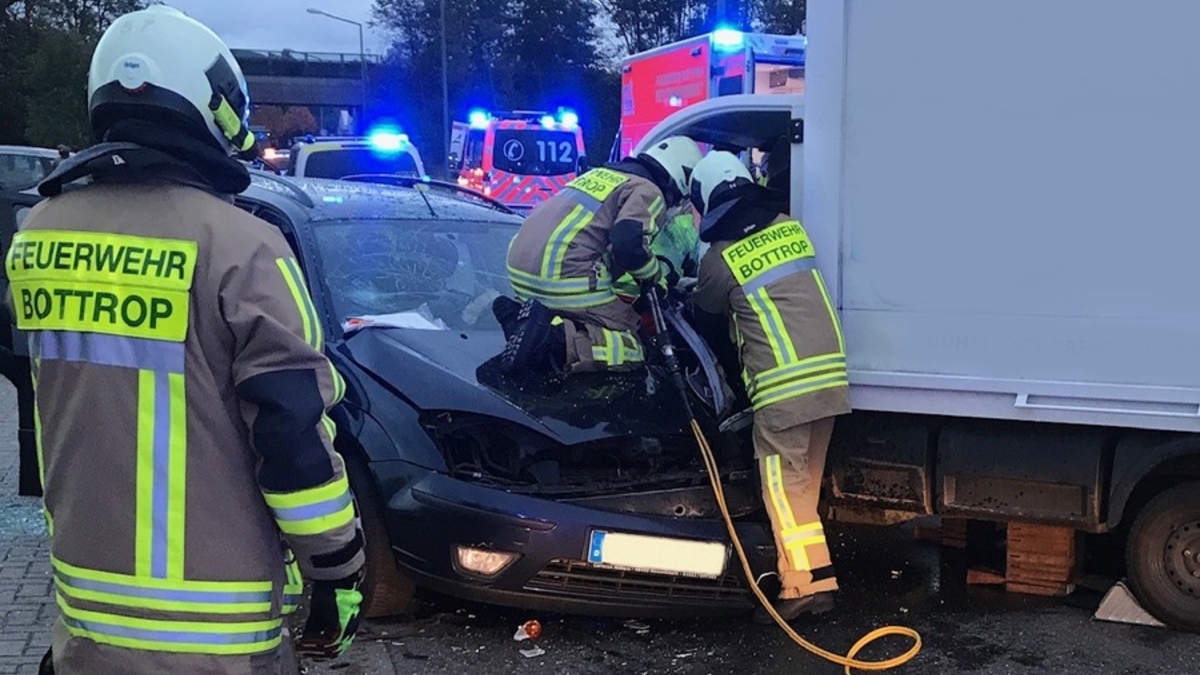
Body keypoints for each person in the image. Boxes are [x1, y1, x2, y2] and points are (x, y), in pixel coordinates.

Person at [6, 7, 364, 674]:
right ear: (207, 103)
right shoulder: (241, 244)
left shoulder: (39, 234)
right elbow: (289, 432)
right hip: (215, 636)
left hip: (84, 626)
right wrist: (337, 567)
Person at [687, 151, 851, 623]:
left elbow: (708, 324)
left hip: (783, 388)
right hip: (830, 380)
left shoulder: (719, 258)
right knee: (802, 488)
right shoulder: (789, 227)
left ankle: (801, 588)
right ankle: (815, 579)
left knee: (780, 489)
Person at [499, 136, 703, 375]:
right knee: (633, 341)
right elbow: (629, 244)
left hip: (520, 270)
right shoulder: (648, 191)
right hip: (562, 275)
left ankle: (523, 321)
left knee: (588, 319)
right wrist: (654, 278)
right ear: (680, 177)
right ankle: (553, 342)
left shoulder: (597, 176)